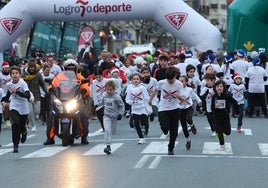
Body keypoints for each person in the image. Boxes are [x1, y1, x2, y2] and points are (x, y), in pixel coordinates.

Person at [43, 59, 90, 145]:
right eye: (69, 68)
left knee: (83, 114)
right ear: (65, 68)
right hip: (61, 100)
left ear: (75, 69)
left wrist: (84, 90)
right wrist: (51, 89)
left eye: (72, 68)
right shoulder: (59, 77)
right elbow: (52, 84)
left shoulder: (79, 77)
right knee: (51, 115)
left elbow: (86, 85)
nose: (70, 70)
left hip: (75, 100)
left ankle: (84, 136)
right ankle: (50, 138)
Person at [150, 67, 185, 155]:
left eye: (172, 80)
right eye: (168, 80)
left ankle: (171, 147)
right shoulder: (161, 82)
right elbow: (155, 90)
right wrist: (150, 99)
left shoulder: (179, 84)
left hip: (175, 109)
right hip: (163, 108)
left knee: (174, 133)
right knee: (165, 127)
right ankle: (165, 130)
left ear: (175, 76)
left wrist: (179, 97)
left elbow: (183, 101)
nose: (170, 81)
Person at [2, 66, 31, 153]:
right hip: (14, 106)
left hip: (23, 107)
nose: (15, 75)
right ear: (11, 76)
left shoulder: (23, 83)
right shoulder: (9, 85)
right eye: (13, 73)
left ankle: (24, 132)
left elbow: (28, 96)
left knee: (22, 126)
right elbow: (8, 95)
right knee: (15, 124)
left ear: (20, 75)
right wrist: (4, 102)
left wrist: (17, 92)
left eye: (16, 73)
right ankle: (15, 145)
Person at [211, 80, 239, 151]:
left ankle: (221, 132)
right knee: (219, 131)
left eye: (221, 86)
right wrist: (215, 106)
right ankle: (222, 145)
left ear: (224, 88)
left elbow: (235, 103)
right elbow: (211, 108)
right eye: (217, 86)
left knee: (228, 132)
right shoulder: (214, 97)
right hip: (217, 116)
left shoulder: (227, 96)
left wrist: (237, 112)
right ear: (215, 88)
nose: (219, 88)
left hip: (225, 116)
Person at [99, 80, 125, 154]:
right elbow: (102, 102)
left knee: (113, 131)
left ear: (114, 89)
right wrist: (97, 105)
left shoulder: (117, 97)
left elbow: (122, 106)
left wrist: (120, 114)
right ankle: (108, 146)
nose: (108, 91)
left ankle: (109, 142)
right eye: (107, 89)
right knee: (107, 130)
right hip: (107, 115)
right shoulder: (104, 95)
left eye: (110, 90)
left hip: (115, 116)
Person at [22, 59, 48, 132]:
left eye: (33, 67)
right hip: (27, 96)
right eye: (31, 67)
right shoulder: (24, 75)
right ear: (28, 67)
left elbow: (42, 84)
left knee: (37, 111)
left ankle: (33, 118)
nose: (32, 69)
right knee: (30, 111)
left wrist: (47, 92)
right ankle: (33, 125)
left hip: (36, 95)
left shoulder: (38, 75)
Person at [126, 73, 150, 143]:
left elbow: (146, 97)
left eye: (137, 79)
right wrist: (132, 101)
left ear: (140, 80)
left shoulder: (142, 87)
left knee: (144, 122)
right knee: (136, 123)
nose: (135, 80)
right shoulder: (130, 88)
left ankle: (145, 127)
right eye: (134, 79)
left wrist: (146, 104)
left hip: (142, 108)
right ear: (132, 80)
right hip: (135, 108)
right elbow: (127, 99)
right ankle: (141, 138)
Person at [178, 76, 202, 150]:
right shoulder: (176, 90)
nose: (181, 83)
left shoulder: (189, 89)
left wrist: (199, 101)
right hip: (180, 109)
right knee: (184, 127)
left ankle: (192, 125)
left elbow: (195, 96)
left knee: (189, 119)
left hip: (188, 107)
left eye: (182, 81)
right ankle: (188, 140)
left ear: (186, 82)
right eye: (179, 81)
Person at [0, 61, 12, 128]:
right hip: (3, 94)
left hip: (11, 93)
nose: (7, 69)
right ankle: (6, 120)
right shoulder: (0, 75)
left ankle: (9, 119)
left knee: (10, 107)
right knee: (5, 107)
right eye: (5, 68)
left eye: (8, 68)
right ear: (3, 68)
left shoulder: (11, 74)